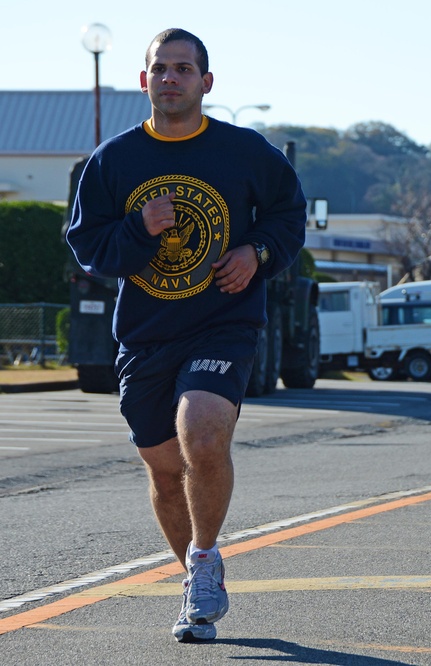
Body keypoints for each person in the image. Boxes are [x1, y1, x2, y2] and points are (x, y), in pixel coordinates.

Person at [66, 28, 307, 643]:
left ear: (206, 81)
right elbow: (90, 249)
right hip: (145, 334)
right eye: (160, 69)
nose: (170, 78)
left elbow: (289, 215)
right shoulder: (114, 161)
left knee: (201, 430)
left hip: (223, 322)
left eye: (183, 68)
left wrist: (258, 250)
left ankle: (203, 562)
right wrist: (140, 228)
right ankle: (198, 577)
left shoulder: (244, 151)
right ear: (144, 80)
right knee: (164, 469)